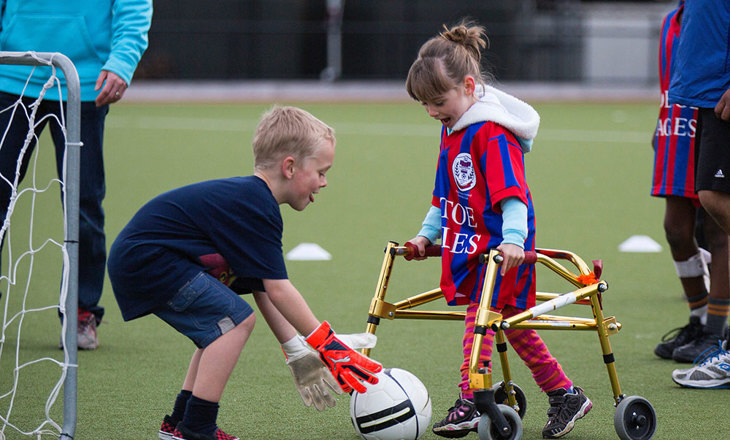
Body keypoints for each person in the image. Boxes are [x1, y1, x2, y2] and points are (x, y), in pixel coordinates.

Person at [107, 106, 382, 440]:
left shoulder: (251, 201)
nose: (325, 182)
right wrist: (328, 344)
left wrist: (295, 348)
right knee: (236, 322)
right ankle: (197, 429)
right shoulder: (255, 204)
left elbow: (263, 288)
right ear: (290, 167)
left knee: (219, 328)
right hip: (149, 260)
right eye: (321, 171)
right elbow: (280, 289)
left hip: (141, 259)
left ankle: (180, 424)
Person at [403, 21, 591, 439]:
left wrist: (513, 242)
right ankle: (565, 394)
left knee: (480, 320)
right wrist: (424, 237)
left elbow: (514, 199)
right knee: (515, 328)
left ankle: (471, 398)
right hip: (473, 251)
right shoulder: (451, 132)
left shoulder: (492, 135)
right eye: (425, 105)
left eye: (438, 101)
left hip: (502, 255)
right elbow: (444, 198)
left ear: (468, 86)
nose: (433, 111)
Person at [0, 0, 153, 350]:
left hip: (81, 81)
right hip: (9, 74)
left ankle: (81, 311)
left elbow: (135, 6)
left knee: (83, 203)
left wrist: (122, 61)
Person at [650, 0, 730, 363]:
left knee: (715, 225)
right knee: (675, 229)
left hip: (709, 112)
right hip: (675, 124)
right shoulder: (673, 20)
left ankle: (716, 328)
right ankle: (698, 319)